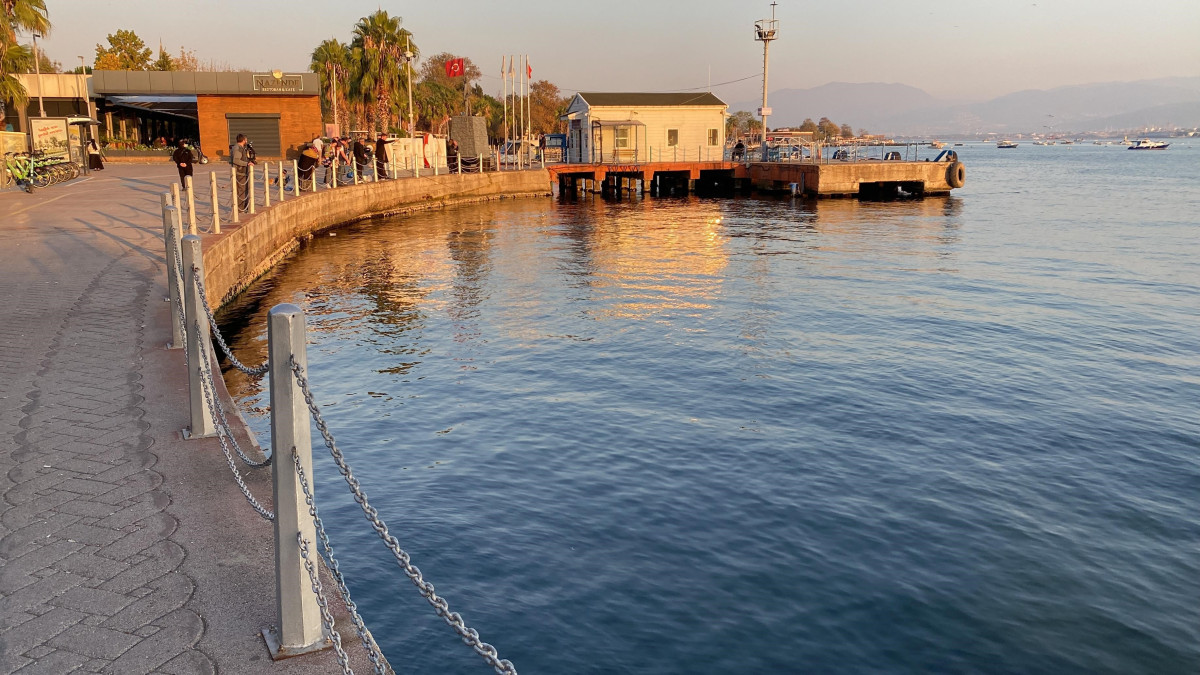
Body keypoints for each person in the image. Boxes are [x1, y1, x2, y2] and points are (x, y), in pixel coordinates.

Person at [231, 133, 254, 211]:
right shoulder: (237, 148)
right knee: (241, 192)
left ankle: (244, 207)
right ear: (243, 140)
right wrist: (246, 164)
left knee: (244, 191)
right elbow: (236, 160)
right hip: (240, 173)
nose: (247, 141)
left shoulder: (241, 148)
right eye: (246, 139)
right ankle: (240, 209)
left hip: (243, 172)